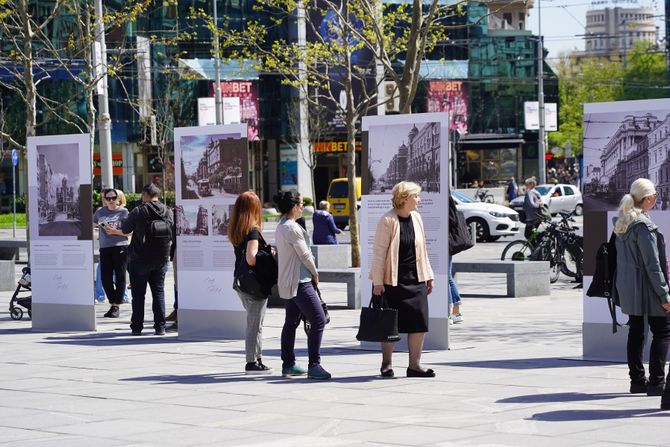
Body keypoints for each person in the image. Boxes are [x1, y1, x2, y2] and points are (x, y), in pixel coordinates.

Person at [612, 179, 670, 407]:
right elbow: (652, 265)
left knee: (636, 330)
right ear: (647, 199)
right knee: (663, 331)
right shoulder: (643, 226)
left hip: (628, 287)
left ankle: (637, 380)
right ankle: (657, 383)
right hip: (648, 288)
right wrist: (665, 295)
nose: (656, 198)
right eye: (654, 195)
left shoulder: (624, 221)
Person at [370, 181, 435, 378]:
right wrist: (377, 282)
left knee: (419, 322)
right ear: (405, 198)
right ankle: (387, 364)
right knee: (391, 323)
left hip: (416, 279)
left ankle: (414, 365)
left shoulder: (417, 218)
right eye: (416, 196)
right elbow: (379, 253)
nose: (419, 200)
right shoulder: (387, 220)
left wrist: (429, 276)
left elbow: (422, 249)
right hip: (393, 280)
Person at [274, 190, 331, 380]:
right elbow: (305, 255)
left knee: (291, 322)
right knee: (318, 319)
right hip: (300, 281)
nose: (303, 207)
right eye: (300, 204)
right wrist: (315, 273)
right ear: (293, 207)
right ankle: (314, 365)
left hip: (290, 281)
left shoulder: (281, 226)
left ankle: (288, 364)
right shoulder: (291, 228)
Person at [109, 184, 174, 336]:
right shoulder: (167, 211)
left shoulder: (139, 211)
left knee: (138, 295)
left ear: (145, 194)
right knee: (159, 292)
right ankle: (160, 327)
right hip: (161, 258)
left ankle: (137, 327)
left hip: (139, 259)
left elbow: (125, 230)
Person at [228, 191, 272, 374]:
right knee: (255, 324)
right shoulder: (253, 231)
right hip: (255, 284)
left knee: (254, 322)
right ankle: (251, 362)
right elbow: (252, 258)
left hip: (241, 282)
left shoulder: (237, 228)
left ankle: (257, 358)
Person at [94, 188, 130, 318]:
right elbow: (92, 224)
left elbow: (131, 232)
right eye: (107, 198)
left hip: (120, 247)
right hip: (104, 248)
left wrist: (116, 232)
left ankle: (115, 306)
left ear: (118, 199)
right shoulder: (100, 211)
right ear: (104, 199)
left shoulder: (124, 212)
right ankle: (113, 301)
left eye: (113, 198)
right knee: (105, 278)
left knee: (120, 277)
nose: (110, 200)